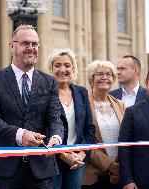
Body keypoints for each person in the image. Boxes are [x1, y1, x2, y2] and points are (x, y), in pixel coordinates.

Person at [0, 24, 64, 189]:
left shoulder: (49, 82)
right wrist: (20, 134)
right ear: (12, 46)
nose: (31, 48)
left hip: (41, 169)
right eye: (26, 43)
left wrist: (56, 137)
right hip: (5, 168)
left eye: (34, 44)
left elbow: (55, 118)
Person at [47, 48, 95, 189]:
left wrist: (81, 154)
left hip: (77, 160)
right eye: (57, 65)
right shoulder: (45, 93)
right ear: (51, 68)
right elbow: (42, 127)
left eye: (67, 65)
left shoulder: (81, 92)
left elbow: (89, 128)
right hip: (53, 160)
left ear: (73, 68)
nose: (63, 69)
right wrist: (63, 155)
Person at [82, 60, 125, 189]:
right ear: (91, 78)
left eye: (109, 74)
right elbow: (84, 140)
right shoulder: (82, 105)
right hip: (93, 176)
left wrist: (117, 167)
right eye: (100, 74)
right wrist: (110, 166)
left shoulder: (121, 105)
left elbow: (126, 137)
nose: (105, 77)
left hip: (119, 174)